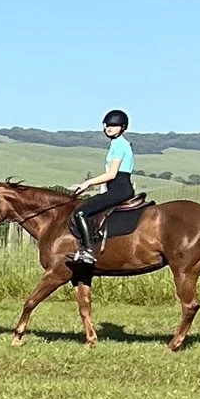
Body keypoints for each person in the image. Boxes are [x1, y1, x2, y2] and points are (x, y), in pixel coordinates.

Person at [68, 107, 137, 275]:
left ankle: (88, 251)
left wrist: (87, 184)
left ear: (123, 127)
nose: (109, 128)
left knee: (80, 213)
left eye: (114, 125)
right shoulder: (117, 144)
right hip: (116, 188)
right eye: (107, 125)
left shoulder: (120, 145)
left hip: (119, 188)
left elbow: (112, 174)